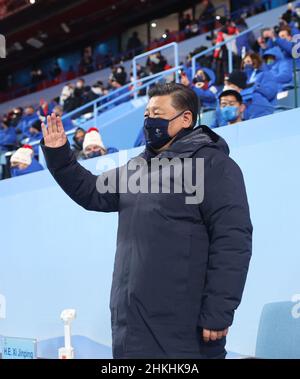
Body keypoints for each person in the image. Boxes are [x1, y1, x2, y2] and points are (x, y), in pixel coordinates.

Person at [40, 83, 252, 359]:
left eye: (158, 113)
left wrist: (218, 311)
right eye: (146, 114)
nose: (149, 120)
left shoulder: (214, 165)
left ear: (186, 118)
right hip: (131, 327)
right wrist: (60, 156)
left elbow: (232, 240)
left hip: (185, 331)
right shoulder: (136, 169)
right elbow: (91, 192)